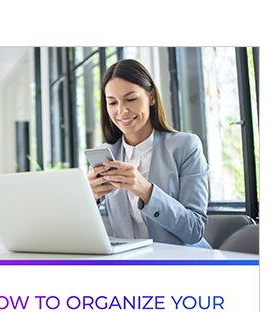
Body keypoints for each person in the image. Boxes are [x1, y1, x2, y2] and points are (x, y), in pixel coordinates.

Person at [87, 59, 211, 248]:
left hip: (185, 262)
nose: (122, 110)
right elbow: (82, 229)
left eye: (131, 99)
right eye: (112, 102)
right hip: (133, 264)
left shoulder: (186, 146)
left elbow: (194, 230)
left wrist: (146, 190)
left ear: (151, 97)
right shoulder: (104, 155)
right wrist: (90, 198)